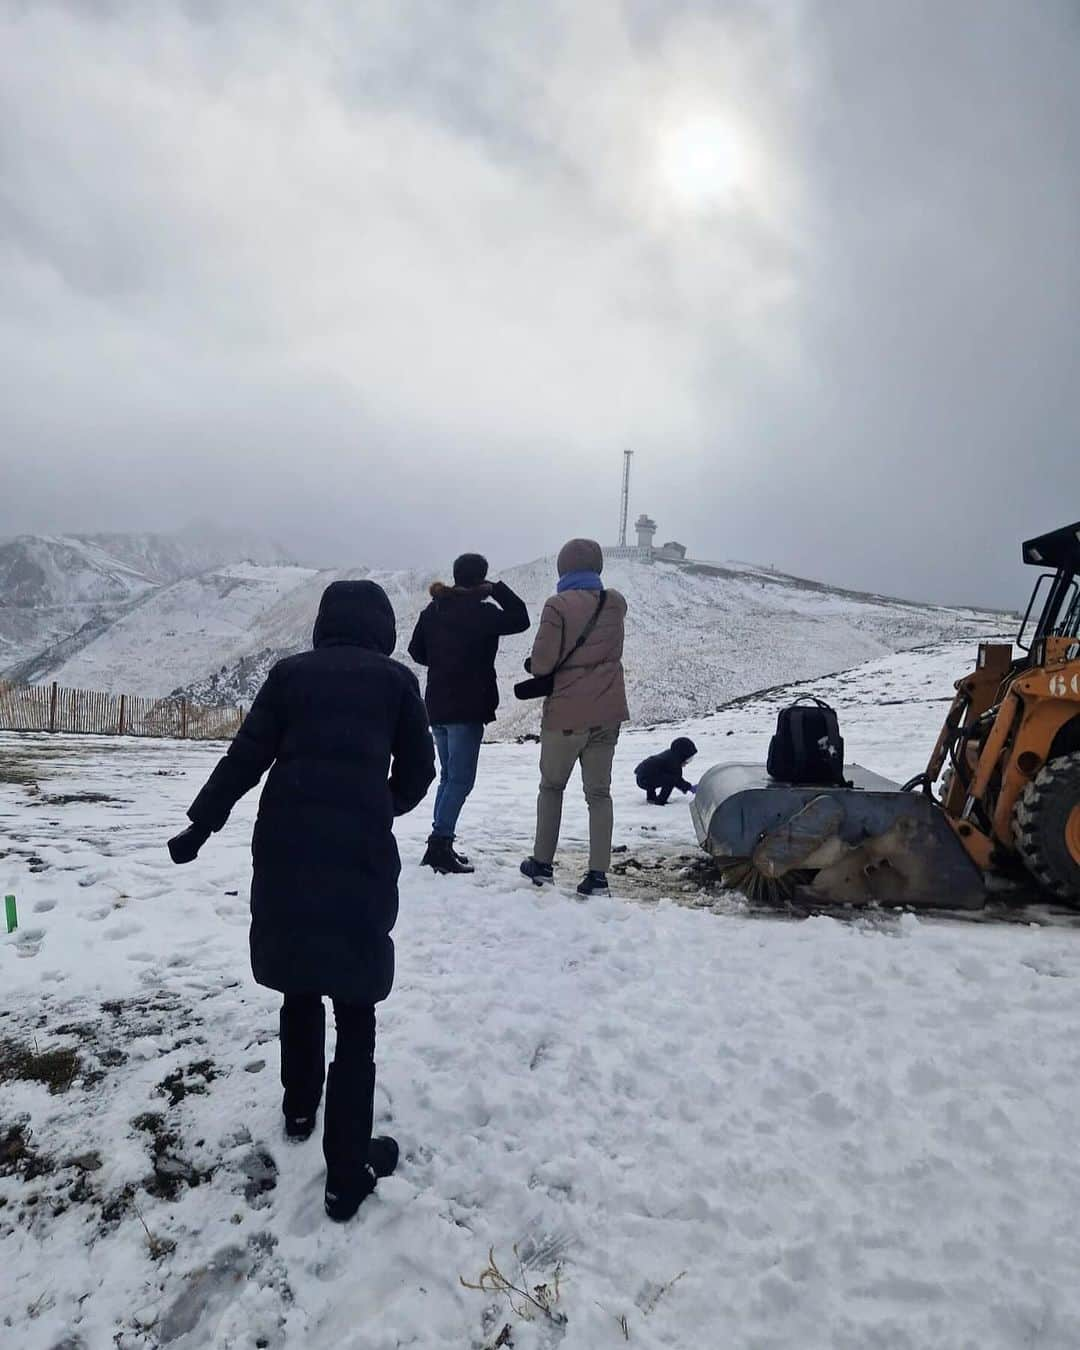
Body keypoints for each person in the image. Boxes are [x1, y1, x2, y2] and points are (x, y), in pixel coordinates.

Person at [166, 580, 435, 1223]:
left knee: (300, 983)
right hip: (359, 856)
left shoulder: (289, 676)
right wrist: (377, 802)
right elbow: (422, 772)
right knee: (357, 1007)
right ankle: (347, 1174)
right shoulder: (396, 683)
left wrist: (200, 825)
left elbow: (245, 757)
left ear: (324, 624)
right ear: (382, 628)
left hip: (286, 843)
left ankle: (297, 1107)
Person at [520, 538, 628, 897]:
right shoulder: (614, 603)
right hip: (608, 714)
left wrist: (533, 666)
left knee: (552, 788)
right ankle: (598, 877)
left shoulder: (558, 605)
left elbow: (544, 663)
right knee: (599, 794)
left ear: (563, 568)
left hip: (566, 715)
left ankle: (542, 864)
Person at [408, 553, 529, 874]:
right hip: (468, 704)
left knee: (449, 777)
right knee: (461, 780)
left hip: (436, 702)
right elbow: (521, 618)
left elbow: (415, 650)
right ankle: (439, 844)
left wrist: (443, 661)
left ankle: (440, 842)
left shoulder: (433, 610)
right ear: (481, 579)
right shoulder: (482, 613)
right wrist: (497, 590)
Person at [635, 737, 698, 805]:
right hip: (645, 779)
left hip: (641, 776)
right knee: (670, 780)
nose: (687, 762)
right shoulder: (674, 762)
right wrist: (689, 787)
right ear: (682, 755)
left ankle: (651, 798)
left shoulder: (670, 755)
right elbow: (677, 780)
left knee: (661, 775)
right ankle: (660, 801)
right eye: (688, 759)